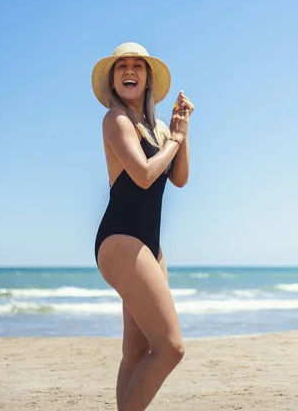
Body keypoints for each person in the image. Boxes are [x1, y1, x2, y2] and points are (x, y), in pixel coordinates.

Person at [91, 42, 193, 411]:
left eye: (138, 65)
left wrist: (182, 129)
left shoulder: (159, 128)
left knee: (137, 351)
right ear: (113, 80)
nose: (130, 70)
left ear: (148, 78)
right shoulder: (116, 120)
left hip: (151, 246)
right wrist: (175, 140)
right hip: (120, 241)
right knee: (171, 348)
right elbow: (145, 175)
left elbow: (179, 177)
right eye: (122, 66)